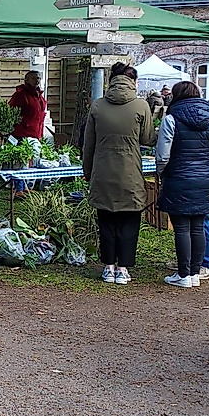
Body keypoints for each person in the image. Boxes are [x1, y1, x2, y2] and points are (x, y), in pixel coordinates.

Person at [83, 62, 157, 285]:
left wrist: (88, 172)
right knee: (129, 220)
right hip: (130, 172)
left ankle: (108, 267)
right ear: (133, 81)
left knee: (106, 220)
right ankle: (123, 268)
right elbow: (147, 139)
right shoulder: (141, 105)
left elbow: (88, 145)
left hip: (103, 170)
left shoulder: (97, 106)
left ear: (111, 80)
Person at [156, 82, 209, 288]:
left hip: (179, 176)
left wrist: (162, 172)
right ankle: (194, 273)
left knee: (182, 228)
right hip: (204, 178)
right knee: (198, 227)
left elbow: (163, 155)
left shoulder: (171, 119)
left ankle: (183, 274)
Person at [7, 70, 47, 141]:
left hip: (36, 134)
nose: (36, 80)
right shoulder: (20, 95)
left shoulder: (40, 97)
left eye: (38, 78)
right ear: (27, 80)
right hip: (22, 134)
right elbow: (11, 111)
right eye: (33, 78)